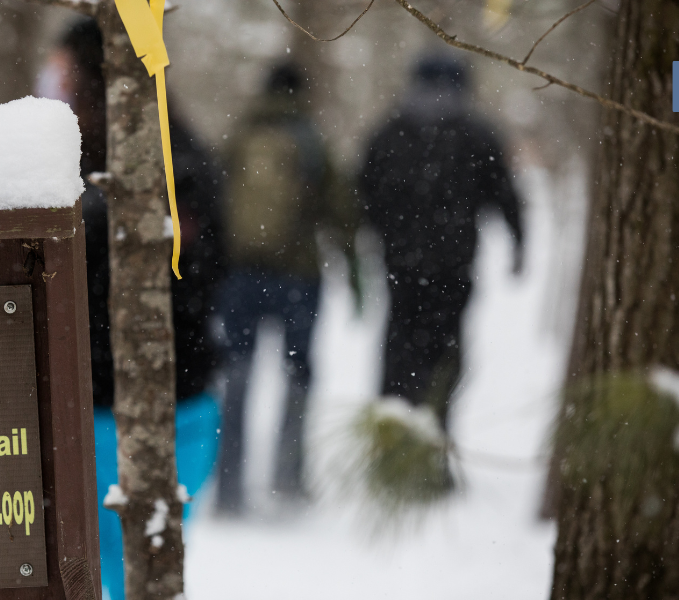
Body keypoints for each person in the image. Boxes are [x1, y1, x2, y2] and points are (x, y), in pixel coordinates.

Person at [37, 19, 223, 600]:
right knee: (126, 559)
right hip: (162, 398)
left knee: (124, 560)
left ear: (99, 76)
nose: (56, 82)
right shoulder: (164, 148)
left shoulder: (160, 166)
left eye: (64, 69)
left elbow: (193, 280)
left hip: (144, 405)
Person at [216, 63, 356, 514]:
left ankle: (229, 486)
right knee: (297, 375)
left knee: (237, 373)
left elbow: (212, 200)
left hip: (239, 275)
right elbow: (340, 209)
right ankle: (287, 478)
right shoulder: (310, 139)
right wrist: (355, 268)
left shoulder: (240, 135)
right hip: (299, 275)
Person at [358, 53, 524, 429]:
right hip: (455, 266)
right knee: (445, 353)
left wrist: (381, 233)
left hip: (401, 264)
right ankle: (434, 433)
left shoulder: (390, 130)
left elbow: (364, 191)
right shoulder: (477, 133)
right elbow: (505, 194)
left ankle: (391, 434)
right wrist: (519, 242)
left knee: (400, 347)